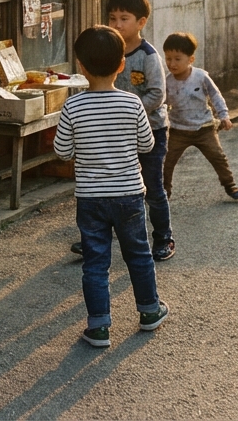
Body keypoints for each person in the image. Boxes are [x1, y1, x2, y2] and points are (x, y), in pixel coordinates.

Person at [54, 25, 169, 348]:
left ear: (81, 66)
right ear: (121, 64)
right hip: (129, 194)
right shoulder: (132, 103)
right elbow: (147, 144)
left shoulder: (73, 106)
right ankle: (149, 311)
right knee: (139, 254)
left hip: (90, 198)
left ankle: (99, 326)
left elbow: (62, 151)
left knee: (95, 262)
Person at [162, 32, 238, 201]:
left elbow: (215, 95)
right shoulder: (167, 82)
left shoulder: (200, 77)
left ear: (190, 59)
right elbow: (162, 104)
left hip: (204, 128)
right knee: (166, 162)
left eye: (177, 59)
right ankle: (164, 192)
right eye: (168, 59)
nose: (172, 63)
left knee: (218, 157)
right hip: (178, 130)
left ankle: (230, 185)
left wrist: (224, 115)